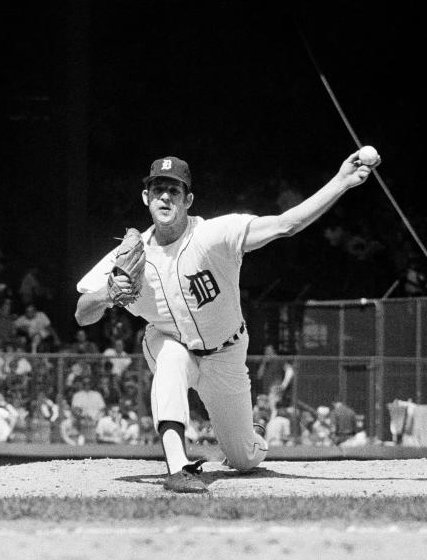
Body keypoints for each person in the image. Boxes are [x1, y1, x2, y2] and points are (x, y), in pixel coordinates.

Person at [75, 152, 377, 493]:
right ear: (146, 197)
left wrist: (341, 181)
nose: (164, 196)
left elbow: (284, 224)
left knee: (244, 458)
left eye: (174, 191)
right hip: (169, 340)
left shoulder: (214, 235)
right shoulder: (129, 255)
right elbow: (82, 312)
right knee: (171, 359)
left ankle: (252, 435)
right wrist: (107, 293)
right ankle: (178, 469)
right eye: (157, 188)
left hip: (227, 353)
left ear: (188, 199)